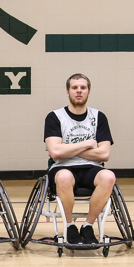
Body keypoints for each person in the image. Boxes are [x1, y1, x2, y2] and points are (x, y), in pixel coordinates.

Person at [44, 73, 116, 245]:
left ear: (88, 92)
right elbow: (55, 153)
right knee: (63, 177)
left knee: (109, 177)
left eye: (83, 88)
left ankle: (88, 226)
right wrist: (89, 144)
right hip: (63, 166)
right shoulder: (55, 117)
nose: (79, 91)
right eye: (74, 87)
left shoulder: (99, 117)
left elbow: (104, 154)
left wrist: (68, 147)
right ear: (67, 92)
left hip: (92, 168)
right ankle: (70, 226)